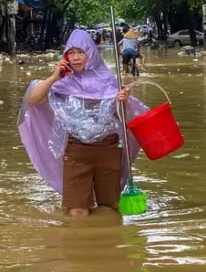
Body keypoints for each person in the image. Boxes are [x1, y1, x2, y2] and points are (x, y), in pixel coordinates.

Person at [18, 30, 149, 218]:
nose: (76, 58)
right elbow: (34, 100)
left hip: (109, 149)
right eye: (71, 53)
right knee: (77, 211)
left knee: (109, 209)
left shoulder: (109, 80)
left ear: (91, 54)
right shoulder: (63, 83)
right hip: (76, 151)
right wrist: (55, 77)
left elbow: (119, 119)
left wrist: (122, 102)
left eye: (81, 52)